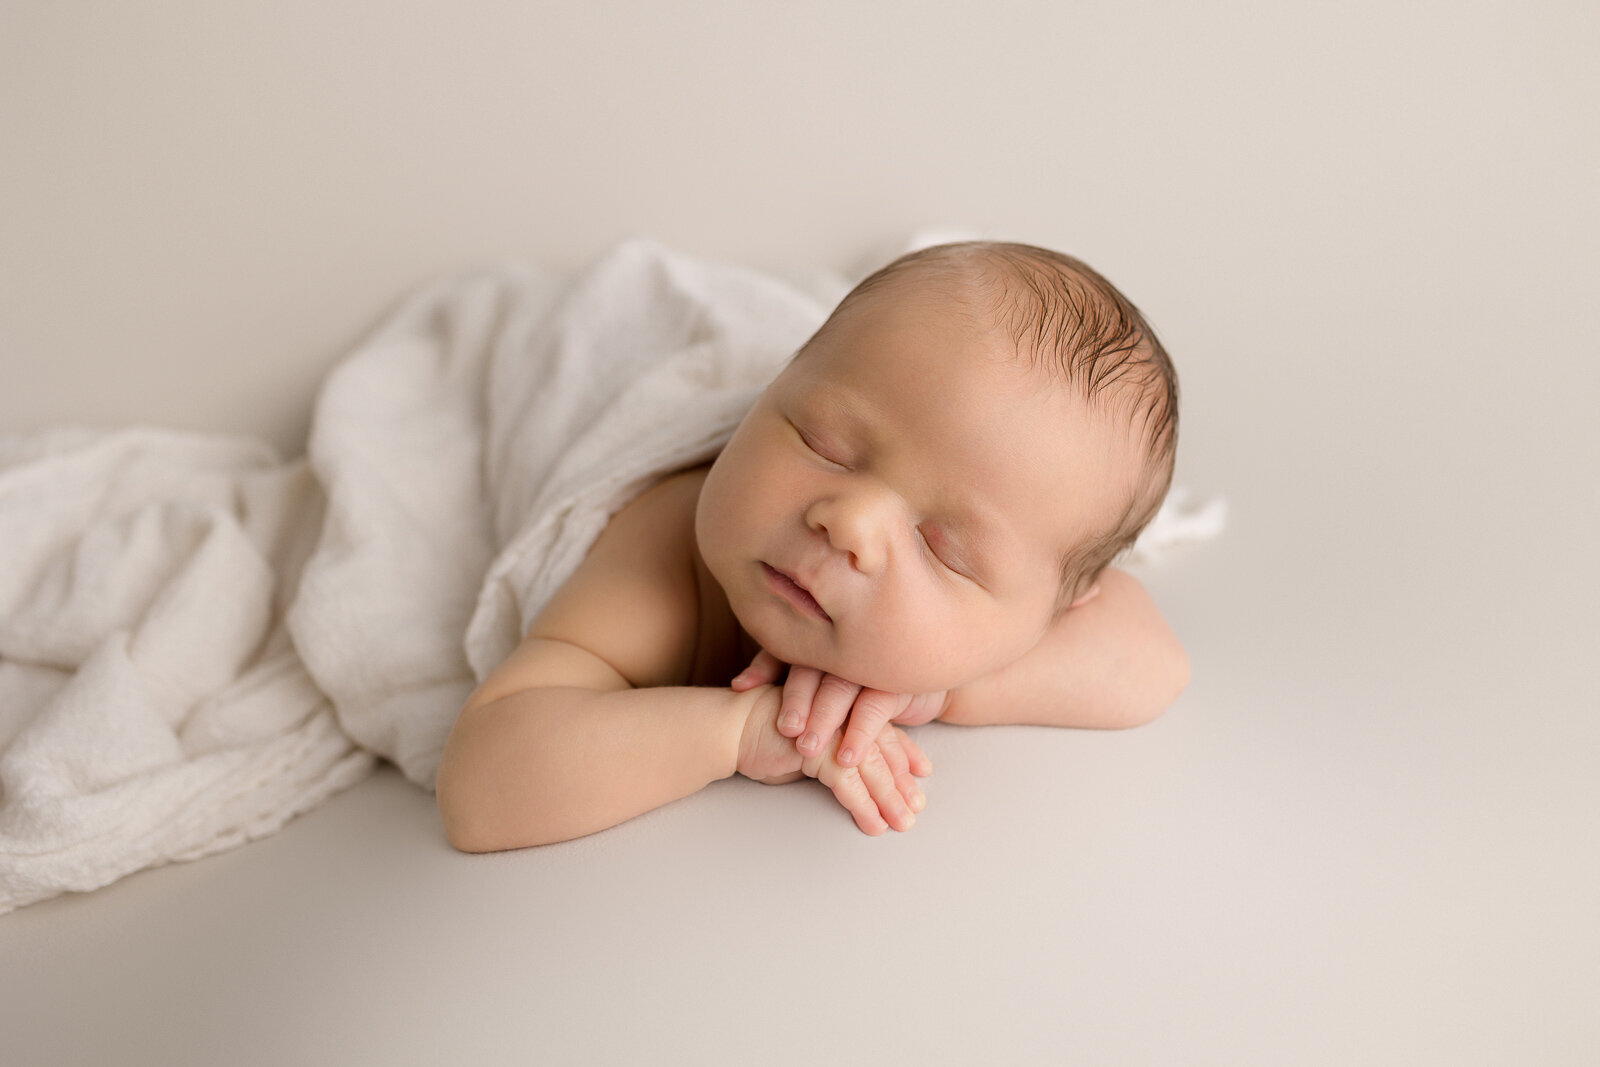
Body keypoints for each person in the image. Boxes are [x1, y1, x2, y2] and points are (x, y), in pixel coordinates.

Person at [436, 241, 1190, 851]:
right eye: (823, 444)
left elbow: (1155, 661)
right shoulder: (660, 566)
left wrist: (931, 686)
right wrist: (743, 731)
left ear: (1055, 604)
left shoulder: (1020, 593)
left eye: (943, 549)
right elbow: (482, 783)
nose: (850, 521)